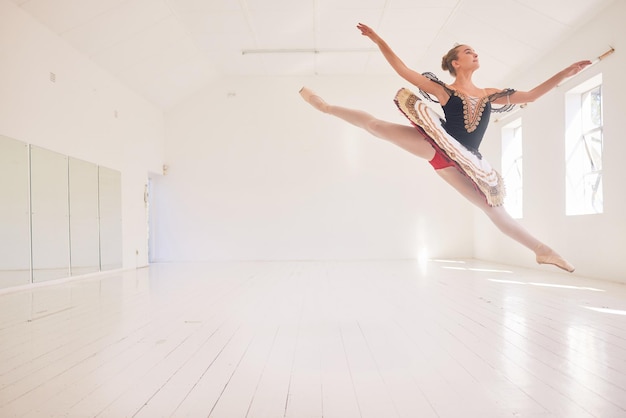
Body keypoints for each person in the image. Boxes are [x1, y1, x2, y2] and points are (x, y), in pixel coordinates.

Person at [299, 22, 592, 273]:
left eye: (475, 51)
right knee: (375, 127)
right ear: (455, 63)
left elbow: (531, 95)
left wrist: (565, 74)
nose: (475, 54)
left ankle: (543, 250)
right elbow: (403, 70)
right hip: (438, 145)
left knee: (496, 211)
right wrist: (379, 41)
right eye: (468, 52)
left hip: (468, 160)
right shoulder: (445, 91)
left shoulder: (491, 94)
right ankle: (325, 107)